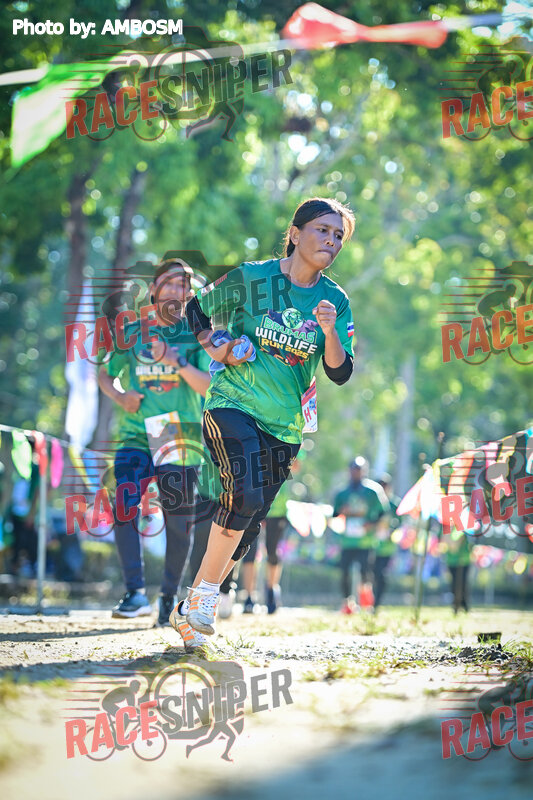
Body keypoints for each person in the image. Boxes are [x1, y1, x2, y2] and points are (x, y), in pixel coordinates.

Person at [169, 197, 356, 643]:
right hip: (232, 403)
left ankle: (190, 605)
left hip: (285, 425)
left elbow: (340, 372)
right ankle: (207, 596)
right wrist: (216, 345)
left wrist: (330, 331)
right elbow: (196, 309)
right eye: (322, 230)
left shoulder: (335, 300)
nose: (331, 241)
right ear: (295, 233)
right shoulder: (253, 278)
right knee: (245, 492)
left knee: (250, 521)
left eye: (338, 236)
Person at [98, 258, 211, 626]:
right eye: (169, 283)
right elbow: (105, 373)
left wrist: (175, 361)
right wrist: (120, 397)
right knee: (124, 502)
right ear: (153, 290)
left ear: (189, 294)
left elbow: (208, 386)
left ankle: (168, 596)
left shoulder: (197, 334)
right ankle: (134, 593)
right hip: (135, 432)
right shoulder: (131, 331)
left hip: (177, 432)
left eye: (183, 285)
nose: (176, 290)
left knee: (178, 523)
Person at [333, 457, 389, 613]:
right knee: (344, 571)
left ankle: (366, 602)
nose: (355, 473)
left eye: (358, 470)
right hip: (347, 541)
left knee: (365, 572)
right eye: (353, 469)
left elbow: (383, 513)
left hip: (366, 540)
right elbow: (334, 514)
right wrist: (341, 512)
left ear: (364, 471)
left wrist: (371, 524)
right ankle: (347, 603)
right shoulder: (342, 493)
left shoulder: (373, 491)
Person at [373, 473, 400, 610]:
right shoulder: (373, 502)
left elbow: (401, 523)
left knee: (381, 574)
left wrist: (392, 531)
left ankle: (377, 602)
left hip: (387, 547)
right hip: (372, 545)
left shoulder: (394, 504)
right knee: (370, 574)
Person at [445, 528, 472, 613]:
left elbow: (454, 547)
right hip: (451, 561)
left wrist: (448, 541)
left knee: (462, 585)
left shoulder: (461, 529)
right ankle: (456, 605)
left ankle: (463, 605)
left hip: (462, 562)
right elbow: (443, 543)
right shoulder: (446, 528)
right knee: (454, 585)